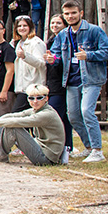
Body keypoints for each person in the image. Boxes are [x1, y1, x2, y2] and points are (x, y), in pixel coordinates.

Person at [45, 0, 108, 163]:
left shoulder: (94, 31)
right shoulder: (62, 35)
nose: (70, 16)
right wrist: (53, 59)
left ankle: (97, 150)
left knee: (86, 111)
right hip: (71, 81)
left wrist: (88, 55)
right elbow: (56, 55)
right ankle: (89, 148)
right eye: (67, 14)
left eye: (73, 13)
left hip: (91, 79)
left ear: (81, 13)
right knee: (74, 116)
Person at [0, 84, 66, 166]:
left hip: (46, 158)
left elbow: (19, 122)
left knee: (13, 127)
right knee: (6, 123)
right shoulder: (35, 110)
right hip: (40, 148)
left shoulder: (47, 114)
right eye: (31, 98)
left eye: (39, 98)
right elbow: (11, 116)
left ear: (46, 99)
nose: (35, 101)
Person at [43, 14, 74, 155]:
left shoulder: (68, 40)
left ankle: (60, 146)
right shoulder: (50, 41)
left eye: (58, 23)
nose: (54, 25)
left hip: (62, 83)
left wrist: (54, 60)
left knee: (55, 115)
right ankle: (67, 146)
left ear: (65, 25)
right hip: (51, 82)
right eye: (52, 23)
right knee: (64, 118)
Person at [10, 16, 47, 113]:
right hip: (21, 88)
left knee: (17, 114)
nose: (22, 28)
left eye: (25, 26)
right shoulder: (18, 43)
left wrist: (25, 56)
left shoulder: (36, 42)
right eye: (19, 26)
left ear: (30, 27)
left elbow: (41, 63)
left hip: (33, 87)